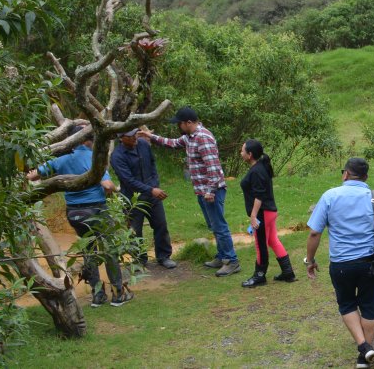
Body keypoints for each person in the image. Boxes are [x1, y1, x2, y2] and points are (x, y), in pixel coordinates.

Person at [306, 157, 374, 369]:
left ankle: (363, 347)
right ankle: (364, 355)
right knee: (370, 305)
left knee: (347, 304)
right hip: (371, 262)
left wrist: (310, 260)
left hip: (341, 264)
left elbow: (314, 233)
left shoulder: (330, 196)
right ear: (366, 177)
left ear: (345, 174)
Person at [26, 128, 133, 307]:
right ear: (86, 141)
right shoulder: (93, 158)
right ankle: (118, 293)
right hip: (96, 209)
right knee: (109, 249)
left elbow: (33, 175)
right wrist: (115, 189)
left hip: (74, 213)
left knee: (89, 251)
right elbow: (107, 185)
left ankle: (97, 295)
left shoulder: (61, 159)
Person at [139, 107, 241, 276]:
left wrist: (210, 191)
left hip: (211, 191)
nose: (178, 127)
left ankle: (232, 261)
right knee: (213, 225)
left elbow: (213, 168)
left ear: (188, 123)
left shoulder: (203, 138)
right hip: (202, 191)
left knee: (219, 226)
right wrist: (150, 136)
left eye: (179, 123)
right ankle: (222, 256)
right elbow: (172, 143)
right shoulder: (189, 137)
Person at [110, 129, 177, 269]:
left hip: (152, 194)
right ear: (121, 138)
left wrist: (155, 183)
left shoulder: (143, 144)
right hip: (132, 198)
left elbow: (152, 164)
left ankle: (164, 256)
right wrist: (151, 190)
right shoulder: (117, 156)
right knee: (135, 231)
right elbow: (128, 180)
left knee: (161, 225)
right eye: (130, 136)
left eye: (135, 134)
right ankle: (139, 260)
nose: (134, 137)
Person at [238, 139, 295, 287]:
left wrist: (253, 216)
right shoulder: (260, 167)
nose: (241, 153)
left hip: (262, 213)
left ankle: (259, 275)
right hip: (269, 212)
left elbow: (259, 196)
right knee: (272, 240)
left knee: (260, 245)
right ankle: (288, 272)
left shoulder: (257, 171)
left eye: (242, 150)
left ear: (250, 154)